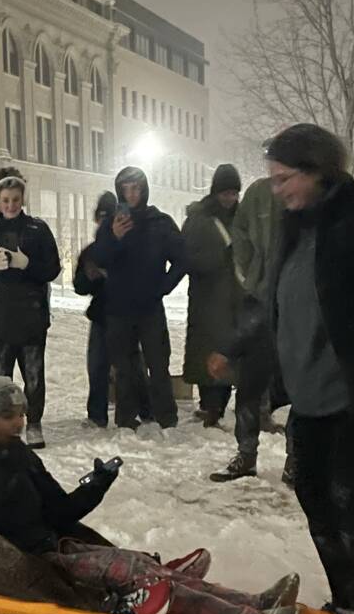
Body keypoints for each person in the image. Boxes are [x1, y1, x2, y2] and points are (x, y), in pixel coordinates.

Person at [0, 377, 301, 614]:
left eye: (21, 414)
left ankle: (254, 602)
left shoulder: (16, 453)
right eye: (7, 416)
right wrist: (0, 473)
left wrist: (97, 484)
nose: (18, 423)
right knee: (134, 573)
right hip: (19, 564)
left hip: (53, 546)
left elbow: (59, 511)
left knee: (140, 566)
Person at [211, 124, 354, 614]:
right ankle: (351, 598)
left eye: (283, 180)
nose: (276, 192)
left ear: (318, 169)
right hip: (309, 394)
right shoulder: (294, 226)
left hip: (350, 397)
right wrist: (232, 347)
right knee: (316, 497)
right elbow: (270, 300)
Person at [209, 171, 295, 483]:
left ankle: (296, 462)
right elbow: (240, 237)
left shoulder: (313, 194)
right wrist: (250, 276)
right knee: (248, 386)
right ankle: (246, 454)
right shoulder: (259, 192)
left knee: (297, 391)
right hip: (259, 298)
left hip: (296, 305)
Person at [0, 174, 61, 449]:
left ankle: (33, 423)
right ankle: (2, 425)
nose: (10, 205)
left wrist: (27, 264)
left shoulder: (38, 230)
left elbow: (52, 269)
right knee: (0, 378)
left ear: (23, 200)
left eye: (16, 200)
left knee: (33, 376)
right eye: (5, 200)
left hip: (31, 315)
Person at [91, 166, 187, 430]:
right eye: (126, 189)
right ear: (119, 191)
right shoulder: (112, 224)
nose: (132, 194)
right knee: (123, 368)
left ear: (144, 190)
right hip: (118, 308)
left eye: (136, 188)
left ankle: (166, 417)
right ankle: (125, 418)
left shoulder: (160, 222)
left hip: (150, 307)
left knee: (158, 364)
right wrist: (114, 237)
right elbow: (97, 259)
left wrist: (163, 287)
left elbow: (182, 259)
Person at [74, 191, 152, 428]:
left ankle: (145, 409)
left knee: (132, 367)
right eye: (101, 218)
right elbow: (79, 286)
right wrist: (90, 277)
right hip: (101, 315)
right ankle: (97, 413)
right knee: (98, 366)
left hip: (127, 315)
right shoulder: (91, 252)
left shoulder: (131, 246)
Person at [182, 164, 244, 428]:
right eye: (225, 192)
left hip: (235, 298)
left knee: (230, 351)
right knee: (206, 350)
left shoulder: (242, 219)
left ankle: (219, 405)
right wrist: (220, 259)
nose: (229, 198)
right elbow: (187, 258)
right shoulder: (200, 220)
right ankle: (210, 407)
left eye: (233, 193)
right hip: (207, 299)